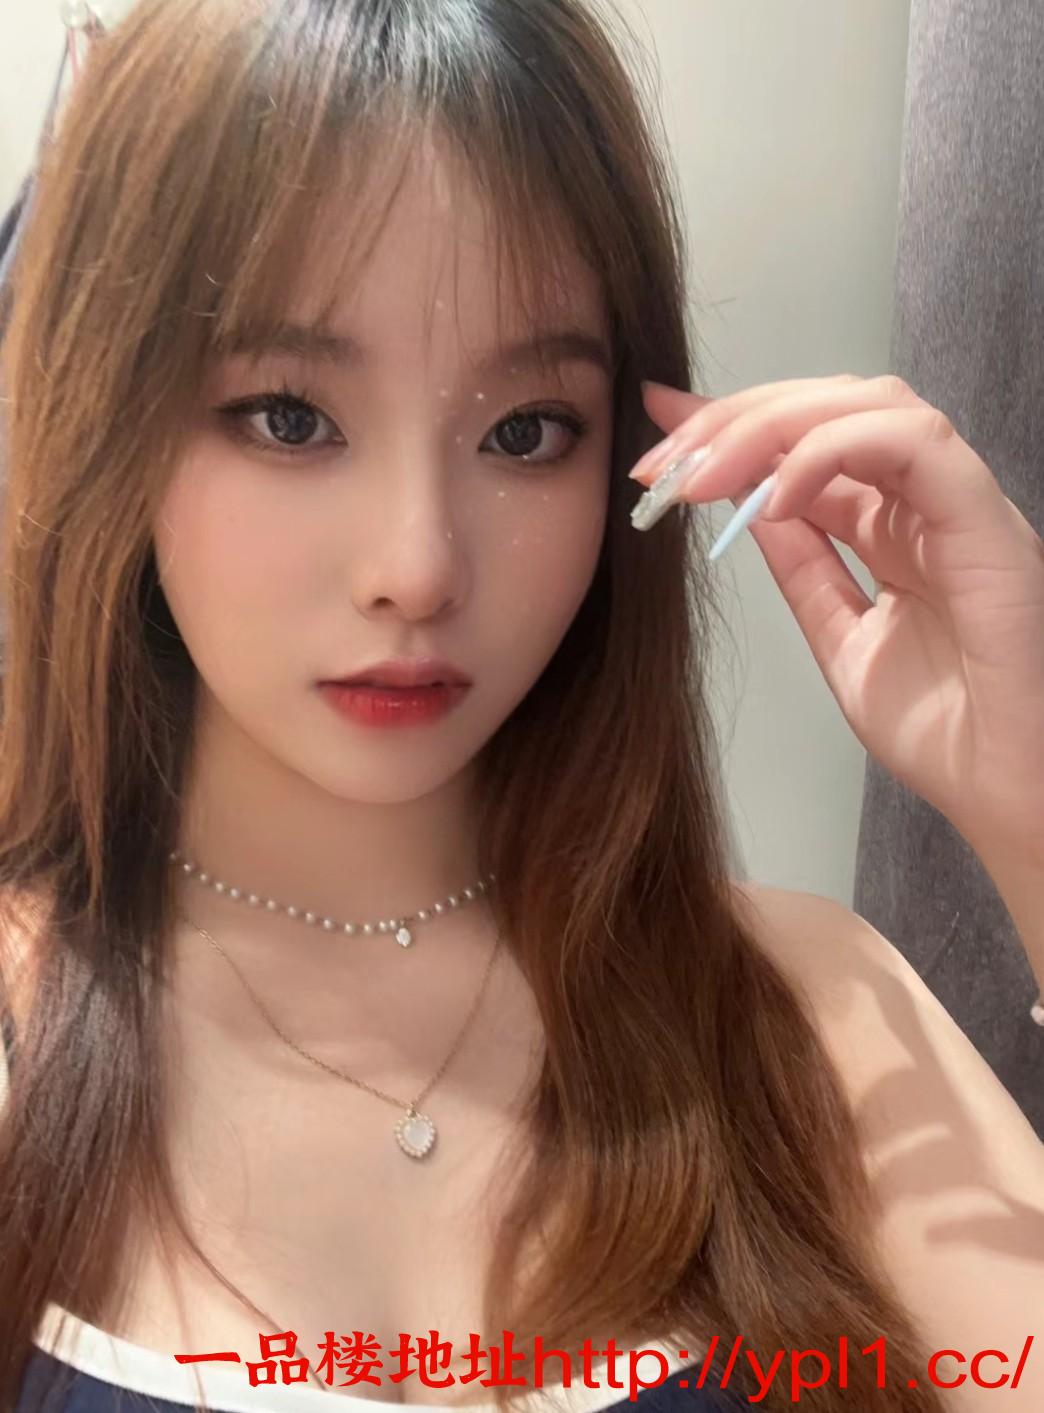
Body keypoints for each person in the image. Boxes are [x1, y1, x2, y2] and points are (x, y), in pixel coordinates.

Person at [0, 1, 1041, 1410]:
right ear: (112, 422)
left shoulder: (810, 1012)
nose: (419, 566)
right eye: (290, 417)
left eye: (524, 431)